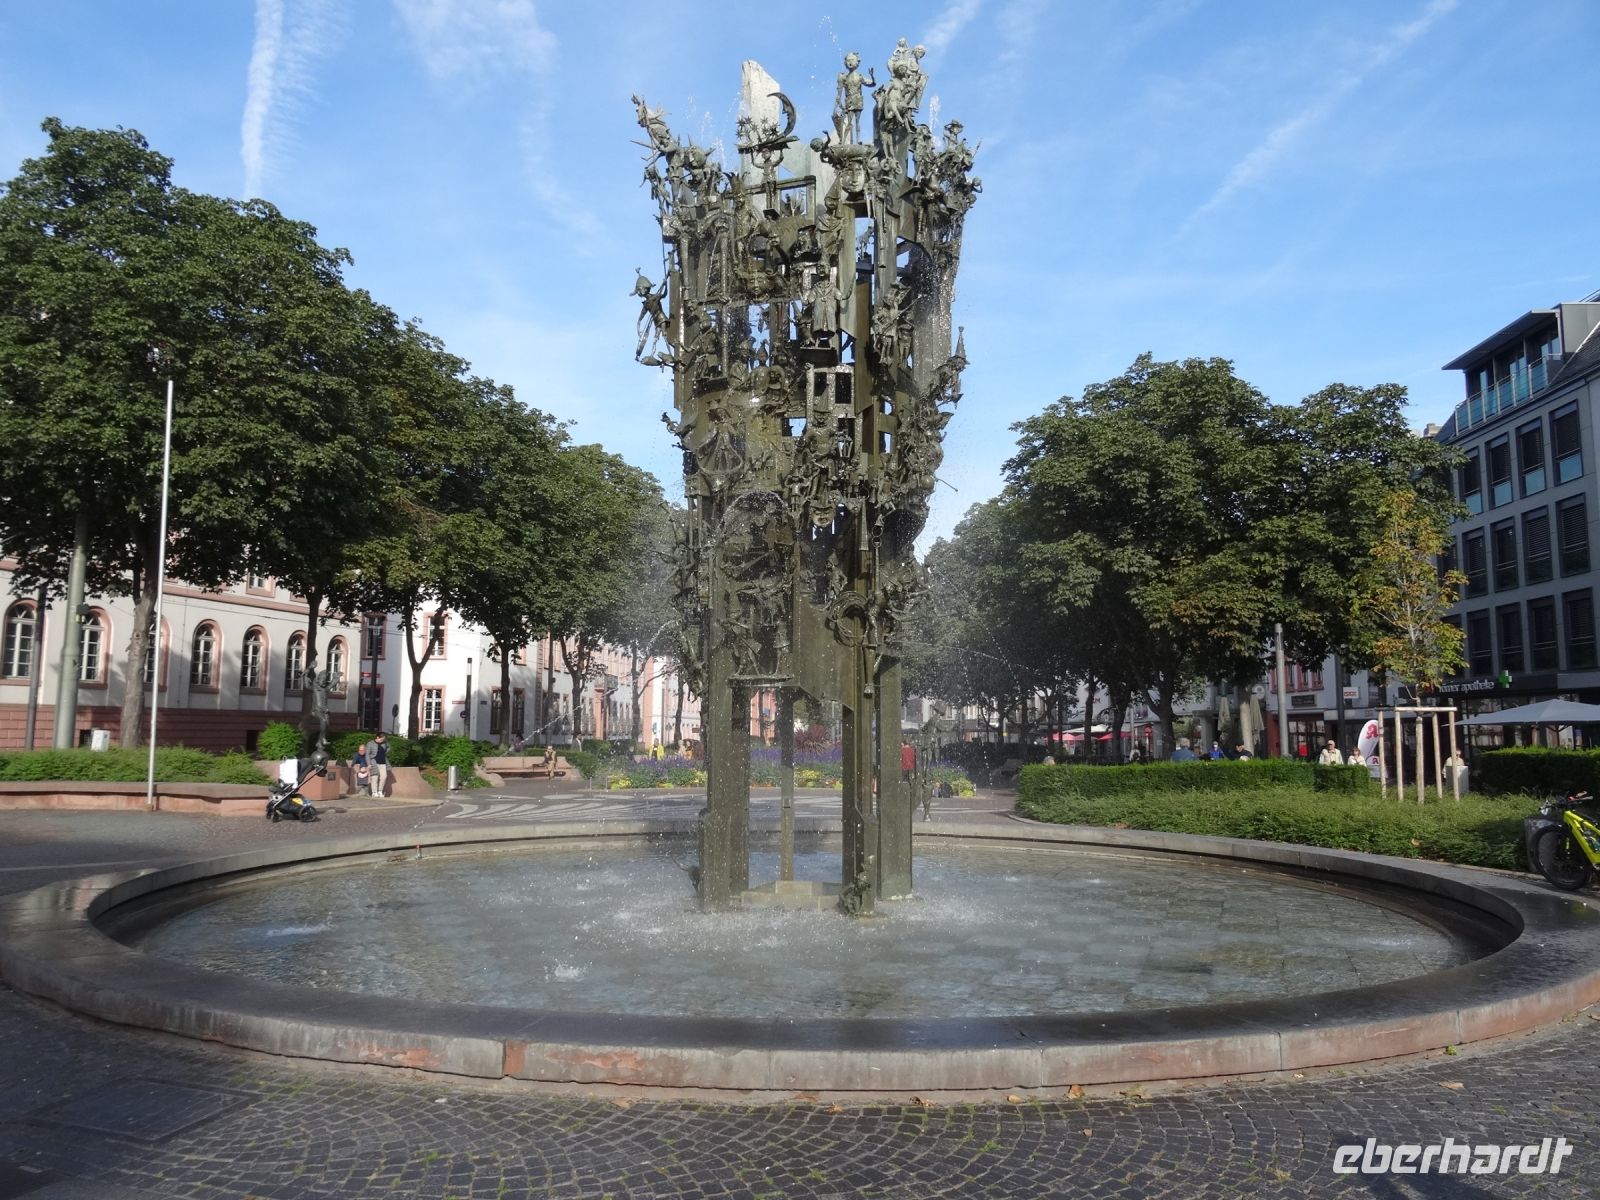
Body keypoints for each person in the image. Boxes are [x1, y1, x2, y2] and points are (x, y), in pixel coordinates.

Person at [370, 733, 389, 797]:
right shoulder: (371, 743)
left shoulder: (384, 743)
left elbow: (389, 747)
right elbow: (368, 753)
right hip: (374, 762)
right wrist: (369, 763)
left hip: (383, 763)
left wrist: (385, 752)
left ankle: (380, 791)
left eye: (384, 739)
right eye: (382, 739)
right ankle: (374, 792)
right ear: (377, 737)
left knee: (384, 777)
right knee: (374, 777)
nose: (383, 740)